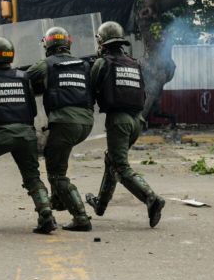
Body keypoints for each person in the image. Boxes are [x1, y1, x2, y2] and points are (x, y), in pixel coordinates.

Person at [0, 37, 57, 235]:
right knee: (32, 176)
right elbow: (32, 106)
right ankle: (46, 212)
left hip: (0, 134)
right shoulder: (24, 77)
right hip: (26, 134)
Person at [85, 21, 165, 227]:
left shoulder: (103, 63)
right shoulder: (133, 63)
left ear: (102, 42)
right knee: (111, 160)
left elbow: (90, 91)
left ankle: (151, 198)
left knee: (120, 166)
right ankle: (100, 205)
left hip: (118, 121)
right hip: (137, 120)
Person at [26, 27, 93, 231]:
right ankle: (59, 200)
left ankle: (81, 217)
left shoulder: (47, 65)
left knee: (56, 173)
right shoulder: (84, 65)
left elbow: (22, 78)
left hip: (65, 123)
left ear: (47, 45)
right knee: (55, 155)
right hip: (86, 124)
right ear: (68, 43)